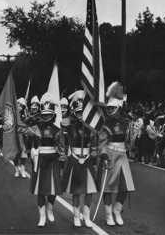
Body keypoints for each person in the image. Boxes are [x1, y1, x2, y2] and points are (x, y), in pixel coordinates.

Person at [18, 92, 66, 227]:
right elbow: (20, 128)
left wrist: (62, 166)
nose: (46, 117)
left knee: (53, 188)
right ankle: (42, 216)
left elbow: (62, 150)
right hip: (39, 161)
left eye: (48, 114)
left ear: (53, 115)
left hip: (53, 160)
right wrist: (30, 118)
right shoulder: (35, 128)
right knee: (40, 190)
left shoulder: (58, 130)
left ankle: (50, 208)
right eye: (44, 114)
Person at [97, 82, 135, 226]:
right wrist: (104, 156)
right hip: (110, 154)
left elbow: (129, 140)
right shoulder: (105, 123)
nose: (109, 110)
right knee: (108, 187)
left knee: (125, 187)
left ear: (119, 108)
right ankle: (108, 215)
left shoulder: (127, 122)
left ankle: (117, 211)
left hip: (123, 156)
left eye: (112, 107)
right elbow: (102, 142)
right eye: (108, 108)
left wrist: (131, 146)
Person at [61, 90, 98, 228]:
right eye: (78, 112)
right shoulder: (70, 124)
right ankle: (76, 216)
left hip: (87, 159)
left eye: (83, 112)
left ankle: (86, 217)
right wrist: (73, 119)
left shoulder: (91, 127)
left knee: (89, 191)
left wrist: (94, 155)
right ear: (74, 112)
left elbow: (95, 142)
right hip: (75, 159)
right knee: (76, 190)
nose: (81, 115)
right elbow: (62, 123)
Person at [13, 97, 29, 178]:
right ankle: (16, 170)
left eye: (21, 105)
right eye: (18, 104)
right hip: (15, 136)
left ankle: (22, 170)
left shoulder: (25, 114)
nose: (19, 106)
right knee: (15, 154)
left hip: (23, 136)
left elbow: (28, 125)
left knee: (24, 154)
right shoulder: (14, 114)